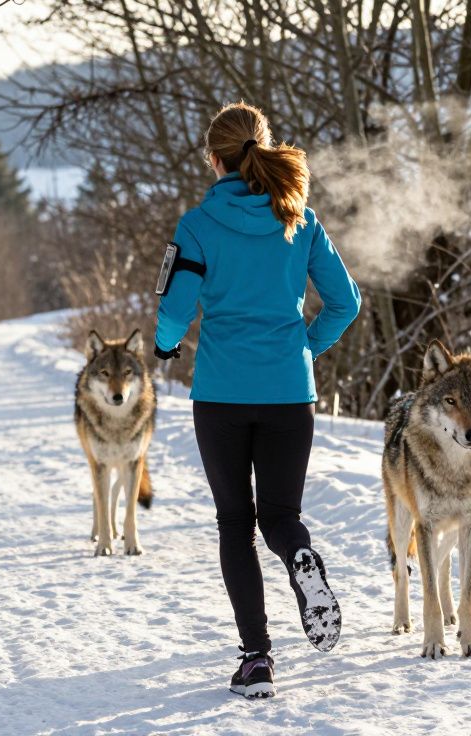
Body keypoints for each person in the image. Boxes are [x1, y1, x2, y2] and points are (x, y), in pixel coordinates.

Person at [153, 102, 362, 699]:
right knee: (280, 517)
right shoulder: (301, 219)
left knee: (234, 525)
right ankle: (300, 556)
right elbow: (344, 303)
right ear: (263, 148)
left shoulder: (197, 224)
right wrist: (304, 351)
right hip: (288, 394)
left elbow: (173, 311)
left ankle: (257, 659)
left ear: (213, 158)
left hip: (220, 395)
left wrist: (167, 348)